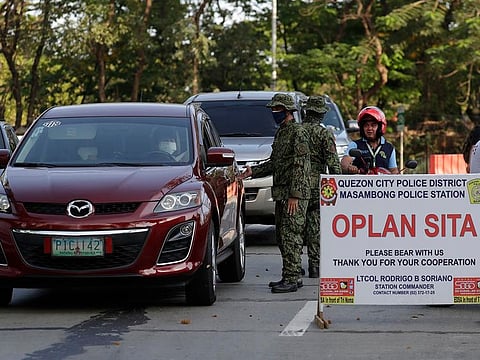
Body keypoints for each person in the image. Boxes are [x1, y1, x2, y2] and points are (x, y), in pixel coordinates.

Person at [239, 93, 311, 293]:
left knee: (291, 235)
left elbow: (301, 165)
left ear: (287, 111)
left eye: (277, 109)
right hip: (282, 193)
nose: (274, 113)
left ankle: (292, 277)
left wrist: (295, 194)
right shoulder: (282, 133)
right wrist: (253, 171)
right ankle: (291, 275)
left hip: (293, 194)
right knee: (282, 235)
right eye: (273, 109)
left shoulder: (298, 132)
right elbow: (275, 163)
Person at [301, 95, 341, 278]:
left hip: (296, 184)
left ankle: (292, 266)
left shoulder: (296, 131)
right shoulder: (325, 134)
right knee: (315, 226)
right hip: (318, 185)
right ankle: (314, 265)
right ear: (322, 114)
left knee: (293, 228)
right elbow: (333, 164)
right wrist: (339, 185)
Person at [340, 106, 399, 174]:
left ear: (380, 127)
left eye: (373, 125)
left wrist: (396, 175)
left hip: (383, 184)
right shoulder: (355, 145)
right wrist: (349, 168)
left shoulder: (389, 148)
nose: (369, 128)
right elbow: (344, 163)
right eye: (366, 125)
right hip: (360, 184)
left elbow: (394, 170)